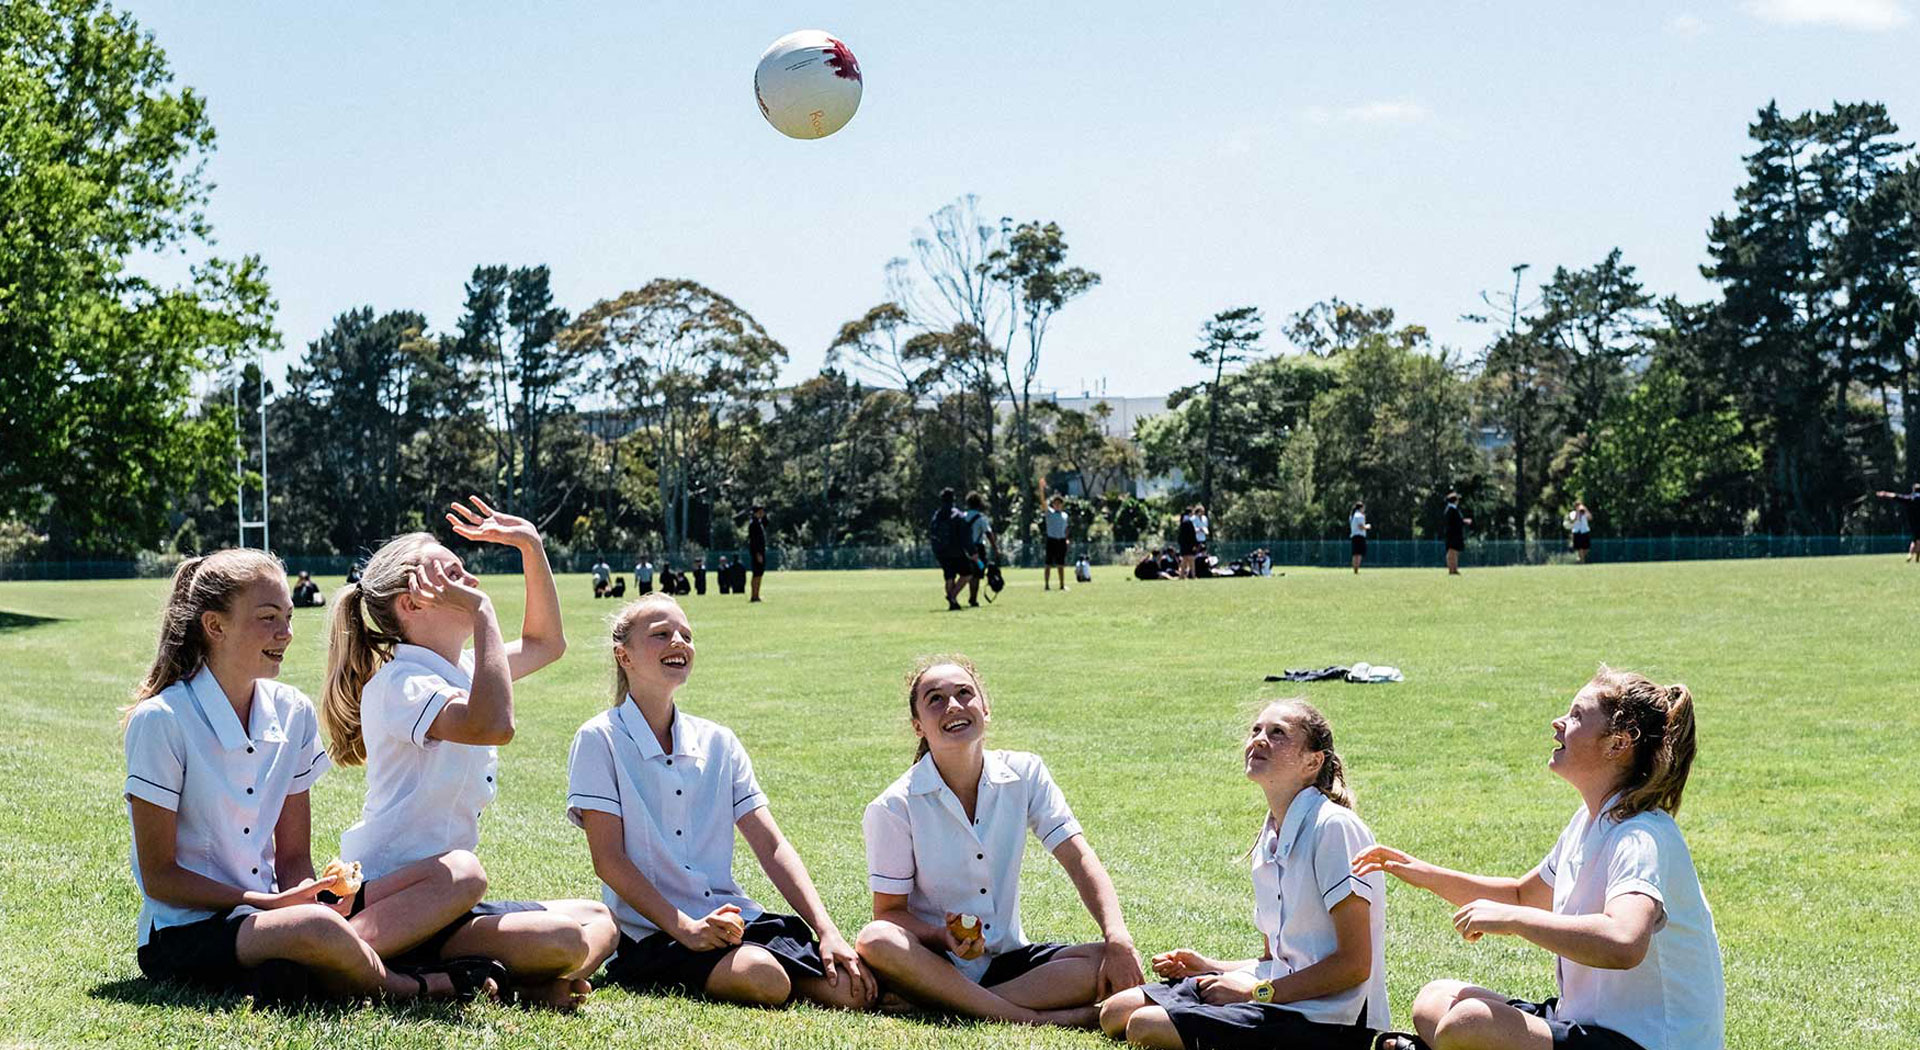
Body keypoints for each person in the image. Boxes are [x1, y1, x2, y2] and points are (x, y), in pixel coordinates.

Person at [123, 549, 496, 1005]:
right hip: (188, 930)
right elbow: (161, 878)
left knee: (460, 871)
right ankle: (415, 984)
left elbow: (294, 856)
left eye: (288, 616)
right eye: (267, 618)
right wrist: (271, 906)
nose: (286, 633)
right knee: (316, 929)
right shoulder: (162, 719)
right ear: (214, 626)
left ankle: (320, 965)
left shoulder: (293, 711)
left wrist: (310, 894)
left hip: (274, 915)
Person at [322, 498, 620, 1010]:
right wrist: (482, 613)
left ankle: (490, 978)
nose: (469, 578)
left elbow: (545, 643)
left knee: (600, 921)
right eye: (449, 571)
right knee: (544, 925)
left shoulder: (459, 669)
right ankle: (359, 960)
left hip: (449, 904)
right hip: (399, 895)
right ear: (412, 603)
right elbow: (492, 725)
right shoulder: (400, 681)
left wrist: (531, 544)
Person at [1352, 668, 1722, 1050]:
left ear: (1618, 743)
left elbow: (1624, 942)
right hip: (1586, 1025)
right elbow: (1519, 895)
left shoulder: (1641, 836)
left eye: (1577, 715)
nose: (1558, 723)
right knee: (1437, 1000)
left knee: (1469, 1022)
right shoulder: (1589, 822)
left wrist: (1515, 922)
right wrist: (1423, 872)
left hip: (1647, 1041)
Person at [567, 594, 877, 1011]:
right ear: (624, 655)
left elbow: (772, 846)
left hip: (735, 922)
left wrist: (826, 930)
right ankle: (779, 970)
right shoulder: (598, 739)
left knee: (855, 991)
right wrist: (688, 929)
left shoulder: (719, 741)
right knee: (763, 977)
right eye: (661, 634)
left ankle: (792, 967)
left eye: (686, 635)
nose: (679, 642)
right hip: (654, 935)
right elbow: (609, 861)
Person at [855, 657, 1141, 1025]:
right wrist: (943, 936)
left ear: (985, 709)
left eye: (964, 693)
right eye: (935, 700)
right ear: (918, 727)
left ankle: (943, 1003)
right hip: (933, 959)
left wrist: (1118, 938)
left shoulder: (1026, 773)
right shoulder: (894, 806)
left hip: (1008, 961)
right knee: (876, 938)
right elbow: (889, 914)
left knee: (1104, 960)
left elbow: (1078, 857)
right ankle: (1038, 1019)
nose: (954, 706)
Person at [1100, 699, 1388, 1049]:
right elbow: (1277, 960)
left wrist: (1257, 992)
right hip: (1280, 995)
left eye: (1277, 733)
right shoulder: (1270, 836)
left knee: (1146, 1026)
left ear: (1313, 761)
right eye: (1256, 730)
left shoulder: (1333, 828)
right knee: (1117, 1010)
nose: (1259, 740)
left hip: (1328, 1021)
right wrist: (1211, 966)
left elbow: (1355, 965)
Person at [929, 488, 973, 612]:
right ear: (953, 499)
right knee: (967, 574)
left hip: (940, 551)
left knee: (949, 576)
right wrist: (971, 551)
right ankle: (952, 596)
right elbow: (965, 536)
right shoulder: (957, 515)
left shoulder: (937, 515)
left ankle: (953, 603)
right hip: (956, 551)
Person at [962, 492, 999, 608]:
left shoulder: (963, 516)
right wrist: (995, 548)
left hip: (964, 548)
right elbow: (988, 533)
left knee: (966, 572)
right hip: (977, 548)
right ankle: (973, 598)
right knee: (977, 574)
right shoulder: (981, 518)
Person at [1874, 484, 1920, 562]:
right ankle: (1916, 557)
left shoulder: (1909, 499)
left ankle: (1911, 555)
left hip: (1912, 522)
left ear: (1913, 490)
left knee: (1915, 540)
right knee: (1918, 540)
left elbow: (1896, 496)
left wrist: (1885, 493)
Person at [1041, 484, 1071, 592]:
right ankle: (1047, 585)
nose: (1057, 505)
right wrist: (1041, 488)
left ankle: (1062, 585)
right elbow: (1043, 501)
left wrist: (1067, 539)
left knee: (1061, 564)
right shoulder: (1049, 513)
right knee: (1048, 564)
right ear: (1053, 504)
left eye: (1059, 503)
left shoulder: (1065, 515)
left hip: (1061, 540)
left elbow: (1066, 528)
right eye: (1056, 503)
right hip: (1051, 540)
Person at [1442, 493, 1471, 575]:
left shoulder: (1452, 509)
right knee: (1452, 552)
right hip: (1452, 535)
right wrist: (1464, 522)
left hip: (1454, 534)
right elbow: (1454, 522)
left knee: (1454, 552)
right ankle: (1452, 569)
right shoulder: (1451, 510)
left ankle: (1454, 568)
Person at [748, 504, 769, 603]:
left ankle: (757, 594)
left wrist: (764, 516)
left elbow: (767, 523)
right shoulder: (754, 524)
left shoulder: (758, 522)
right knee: (756, 574)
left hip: (760, 552)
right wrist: (757, 553)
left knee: (759, 574)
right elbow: (754, 541)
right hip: (757, 552)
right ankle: (754, 595)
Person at [1177, 509, 1198, 579]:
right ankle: (1193, 575)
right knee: (1191, 560)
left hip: (1183, 545)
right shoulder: (1189, 523)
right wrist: (1195, 544)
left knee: (1184, 560)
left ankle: (1181, 575)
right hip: (1189, 545)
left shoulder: (1182, 522)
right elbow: (1192, 535)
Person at [1350, 502, 1371, 574]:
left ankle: (1354, 570)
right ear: (1361, 508)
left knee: (1354, 554)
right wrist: (1367, 526)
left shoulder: (1352, 516)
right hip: (1360, 536)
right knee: (1359, 554)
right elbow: (1361, 526)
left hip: (1354, 536)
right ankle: (1357, 570)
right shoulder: (1360, 516)